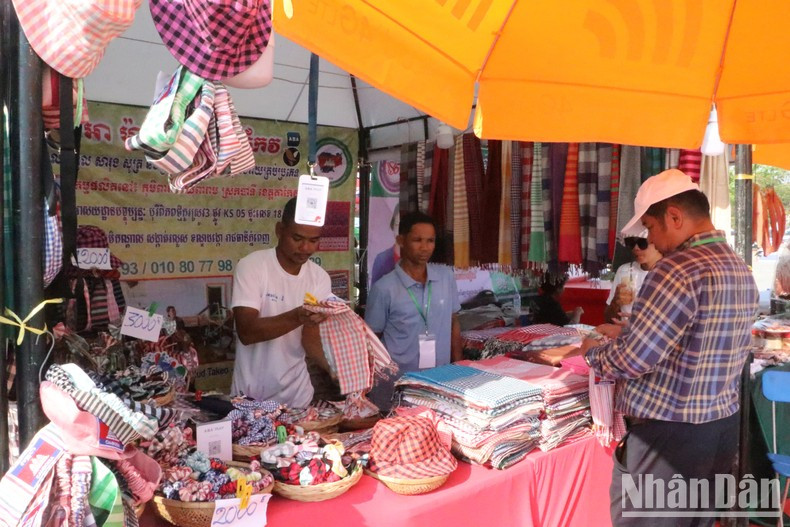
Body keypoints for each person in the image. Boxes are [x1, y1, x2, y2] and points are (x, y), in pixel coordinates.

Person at [579, 169, 758, 526]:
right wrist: (628, 330)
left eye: (650, 227)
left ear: (674, 216)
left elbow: (633, 360)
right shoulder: (738, 266)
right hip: (719, 428)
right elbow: (699, 334)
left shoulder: (676, 268)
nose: (651, 239)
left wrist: (591, 350)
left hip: (669, 437)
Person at [230, 197, 333, 407]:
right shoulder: (252, 267)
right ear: (279, 230)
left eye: (313, 241)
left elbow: (310, 338)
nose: (305, 248)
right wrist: (298, 316)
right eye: (297, 238)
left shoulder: (319, 278)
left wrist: (336, 369)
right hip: (251, 399)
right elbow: (247, 332)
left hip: (298, 398)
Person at [365, 211, 462, 409]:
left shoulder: (445, 277)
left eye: (430, 241)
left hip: (439, 382)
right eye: (417, 240)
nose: (425, 247)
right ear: (401, 240)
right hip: (398, 386)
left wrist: (458, 367)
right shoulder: (384, 288)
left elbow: (454, 323)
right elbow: (370, 342)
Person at [603, 235, 663, 323]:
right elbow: (608, 320)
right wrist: (615, 302)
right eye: (631, 243)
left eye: (642, 243)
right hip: (625, 334)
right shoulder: (624, 271)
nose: (636, 248)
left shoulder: (670, 274)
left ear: (658, 243)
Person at [370, 204, 400, 286]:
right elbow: (375, 292)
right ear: (393, 227)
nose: (400, 231)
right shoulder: (381, 259)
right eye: (397, 225)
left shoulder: (418, 257)